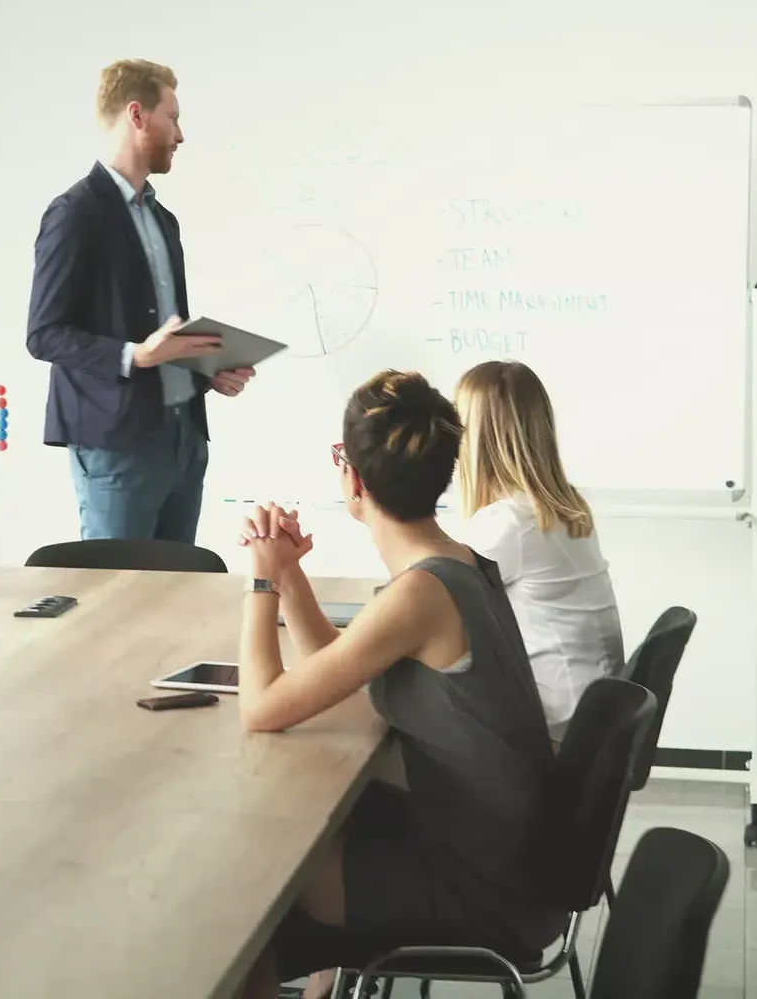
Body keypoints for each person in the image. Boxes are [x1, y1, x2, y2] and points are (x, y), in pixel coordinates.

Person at [231, 371, 561, 999]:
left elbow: (262, 708)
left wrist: (261, 580)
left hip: (477, 885)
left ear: (353, 478)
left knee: (247, 880)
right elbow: (340, 663)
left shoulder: (420, 592)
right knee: (287, 832)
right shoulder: (458, 565)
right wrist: (290, 571)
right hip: (505, 857)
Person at [25, 58, 255, 544]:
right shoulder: (74, 214)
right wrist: (138, 355)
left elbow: (164, 332)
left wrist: (207, 368)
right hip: (117, 448)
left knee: (176, 599)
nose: (180, 134)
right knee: (116, 602)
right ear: (137, 115)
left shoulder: (163, 221)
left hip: (182, 442)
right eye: (172, 117)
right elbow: (44, 334)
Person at [455, 361, 624, 741]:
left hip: (556, 730)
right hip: (591, 719)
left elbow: (439, 613)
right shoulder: (565, 508)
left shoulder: (508, 524)